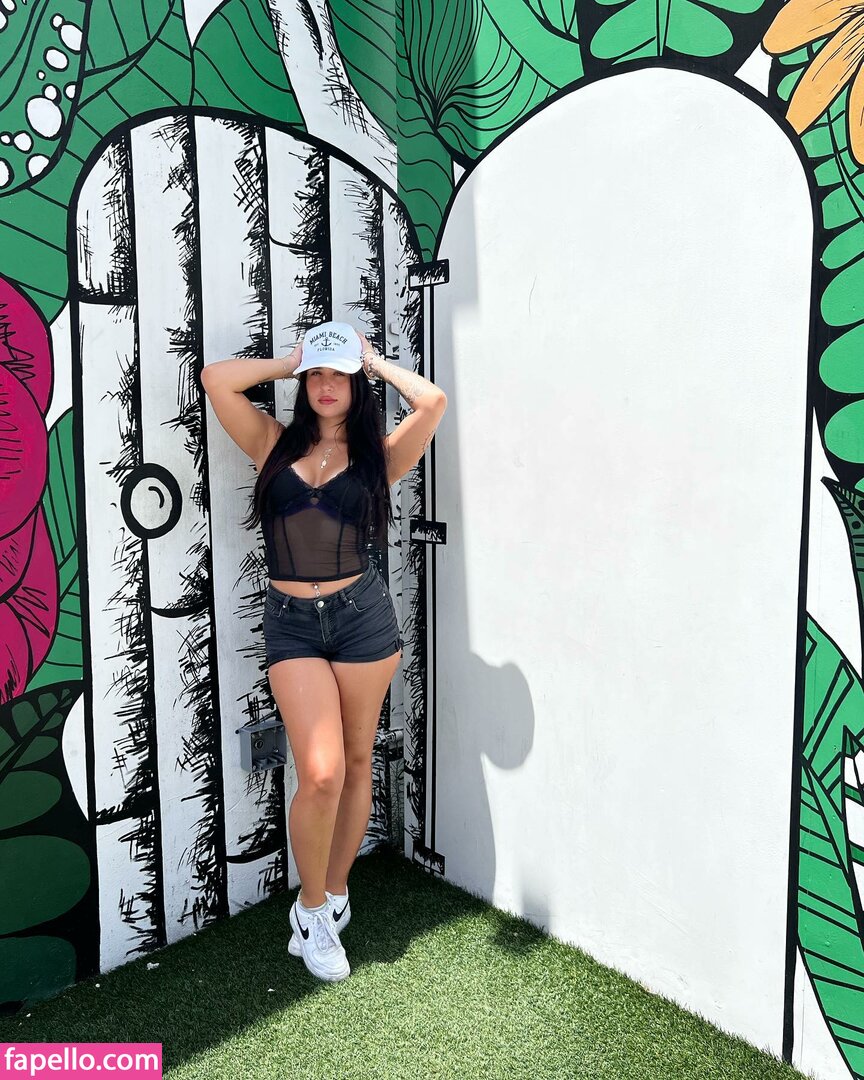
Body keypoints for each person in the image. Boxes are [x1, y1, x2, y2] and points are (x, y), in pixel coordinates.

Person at [200, 321, 447, 982]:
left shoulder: (378, 457)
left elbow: (432, 402)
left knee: (358, 760)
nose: (327, 385)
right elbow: (216, 380)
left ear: (356, 384)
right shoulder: (271, 442)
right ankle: (309, 912)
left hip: (362, 619)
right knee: (321, 772)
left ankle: (335, 893)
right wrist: (292, 360)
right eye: (318, 374)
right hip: (292, 626)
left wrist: (373, 362)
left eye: (339, 374)